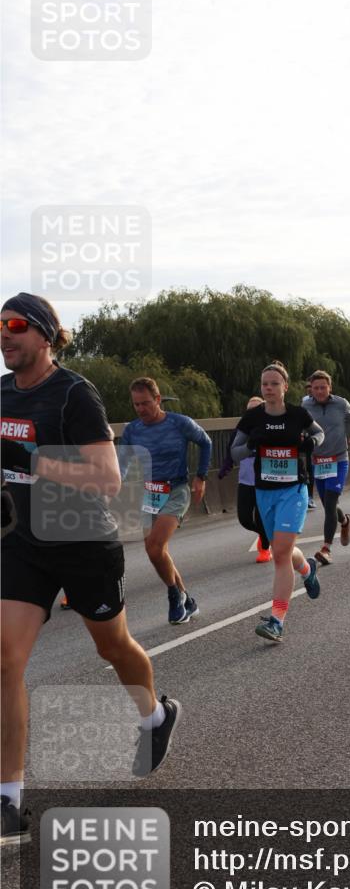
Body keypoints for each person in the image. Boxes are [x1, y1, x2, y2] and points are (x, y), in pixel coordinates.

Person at [1, 294, 181, 844]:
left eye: (14, 326)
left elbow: (107, 478)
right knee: (5, 660)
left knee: (113, 647)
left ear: (46, 336)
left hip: (83, 541)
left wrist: (30, 460)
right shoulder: (2, 392)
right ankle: (8, 800)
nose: (4, 336)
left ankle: (154, 716)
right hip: (22, 542)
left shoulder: (74, 394)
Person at [231, 361, 324, 642]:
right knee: (284, 551)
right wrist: (250, 446)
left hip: (294, 490)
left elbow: (320, 433)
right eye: (264, 384)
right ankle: (307, 569)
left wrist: (311, 443)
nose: (268, 388)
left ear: (285, 387)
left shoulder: (298, 414)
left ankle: (276, 621)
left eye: (274, 383)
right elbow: (234, 453)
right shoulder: (252, 418)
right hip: (264, 491)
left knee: (280, 554)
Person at [118, 377, 212, 624]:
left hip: (176, 490)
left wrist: (201, 477)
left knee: (154, 546)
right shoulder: (132, 430)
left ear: (158, 400)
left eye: (145, 403)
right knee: (157, 553)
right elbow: (124, 462)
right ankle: (186, 599)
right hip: (150, 492)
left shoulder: (179, 423)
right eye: (136, 404)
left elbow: (206, 442)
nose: (140, 409)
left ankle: (173, 595)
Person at [303, 370, 350, 565]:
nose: (319, 391)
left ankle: (326, 549)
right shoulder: (305, 404)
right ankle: (345, 521)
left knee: (329, 503)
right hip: (318, 461)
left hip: (339, 459)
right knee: (329, 504)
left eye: (323, 387)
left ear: (330, 387)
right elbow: (300, 425)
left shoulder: (341, 403)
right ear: (311, 388)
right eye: (316, 388)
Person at [219, 397, 272, 563]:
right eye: (249, 411)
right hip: (245, 481)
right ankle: (267, 535)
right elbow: (231, 451)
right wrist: (226, 466)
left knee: (261, 517)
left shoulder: (270, 429)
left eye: (256, 410)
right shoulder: (240, 431)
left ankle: (265, 547)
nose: (252, 414)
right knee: (245, 519)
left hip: (265, 481)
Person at [301, 381, 316, 509]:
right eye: (308, 390)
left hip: (319, 436)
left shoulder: (322, 401)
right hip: (308, 437)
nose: (310, 392)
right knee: (309, 467)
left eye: (311, 389)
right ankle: (309, 497)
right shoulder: (305, 401)